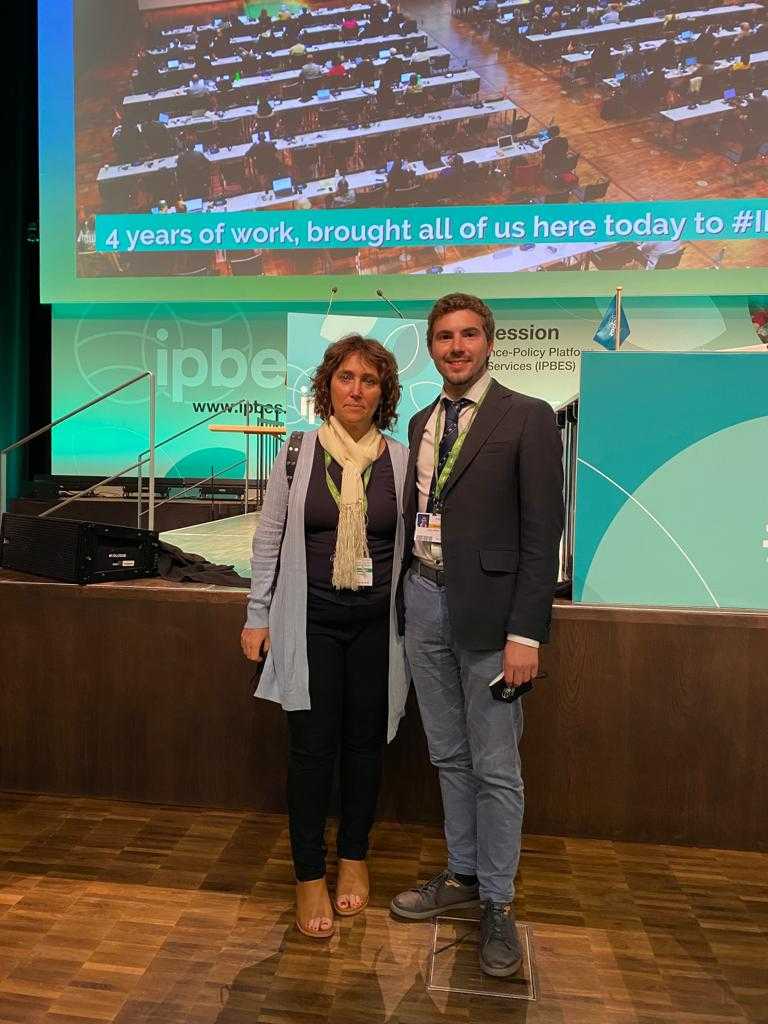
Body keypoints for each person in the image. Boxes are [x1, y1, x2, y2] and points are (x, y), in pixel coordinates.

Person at [390, 293, 564, 978]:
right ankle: (462, 875)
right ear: (431, 347)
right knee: (447, 754)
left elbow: (540, 531)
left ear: (489, 342)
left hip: (495, 619)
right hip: (425, 603)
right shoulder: (419, 421)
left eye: (468, 336)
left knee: (496, 766)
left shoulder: (528, 417)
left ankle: (497, 902)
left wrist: (528, 630)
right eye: (443, 337)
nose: (456, 347)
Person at [241, 336, 410, 939]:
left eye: (369, 379)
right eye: (345, 377)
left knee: (366, 747)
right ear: (327, 387)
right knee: (312, 753)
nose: (356, 388)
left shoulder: (402, 459)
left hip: (376, 628)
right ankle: (308, 874)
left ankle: (355, 859)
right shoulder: (297, 454)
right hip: (306, 623)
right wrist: (257, 615)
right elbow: (269, 539)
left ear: (384, 393)